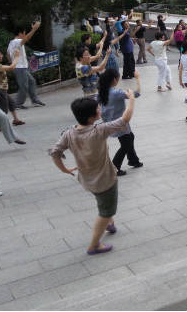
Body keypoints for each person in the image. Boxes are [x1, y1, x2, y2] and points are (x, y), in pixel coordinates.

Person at [48, 92, 136, 255]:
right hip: (105, 180)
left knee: (102, 201)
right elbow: (125, 119)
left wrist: (63, 169)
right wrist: (131, 99)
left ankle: (108, 223)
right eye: (98, 108)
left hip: (87, 180)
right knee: (106, 211)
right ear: (92, 116)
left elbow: (55, 152)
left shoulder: (69, 133)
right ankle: (94, 245)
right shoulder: (100, 130)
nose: (100, 109)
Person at [97, 68, 143, 176]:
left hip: (109, 122)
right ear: (114, 80)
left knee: (130, 137)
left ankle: (133, 160)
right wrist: (137, 78)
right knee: (126, 144)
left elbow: (94, 101)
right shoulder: (115, 93)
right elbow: (136, 94)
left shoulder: (102, 92)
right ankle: (115, 168)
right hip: (120, 123)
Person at [7, 22, 46, 109]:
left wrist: (11, 64)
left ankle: (35, 100)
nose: (25, 35)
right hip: (20, 67)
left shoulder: (11, 42)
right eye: (24, 33)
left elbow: (8, 54)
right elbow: (27, 38)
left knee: (31, 81)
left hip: (20, 67)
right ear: (20, 34)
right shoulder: (16, 41)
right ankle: (18, 104)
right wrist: (34, 29)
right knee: (23, 86)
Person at [0, 49, 25, 129]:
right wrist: (16, 57)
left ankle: (16, 120)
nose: (0, 56)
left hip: (1, 89)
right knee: (3, 109)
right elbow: (11, 67)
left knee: (11, 103)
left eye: (1, 54)